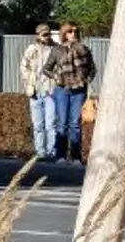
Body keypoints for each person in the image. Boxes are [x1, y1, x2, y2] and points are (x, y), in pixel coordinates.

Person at [46, 22, 96, 163]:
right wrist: (55, 77)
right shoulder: (57, 50)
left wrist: (87, 79)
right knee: (62, 123)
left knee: (75, 123)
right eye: (69, 31)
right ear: (64, 34)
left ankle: (76, 157)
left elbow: (92, 68)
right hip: (61, 89)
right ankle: (60, 155)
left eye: (75, 31)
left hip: (79, 90)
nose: (73, 34)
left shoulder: (84, 49)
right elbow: (46, 68)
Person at [19, 23, 59, 161]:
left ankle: (52, 152)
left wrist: (56, 80)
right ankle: (40, 152)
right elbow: (23, 66)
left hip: (50, 91)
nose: (47, 37)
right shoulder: (32, 49)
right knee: (38, 125)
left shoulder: (55, 49)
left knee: (51, 124)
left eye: (48, 34)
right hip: (35, 91)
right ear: (38, 35)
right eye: (44, 34)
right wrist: (29, 82)